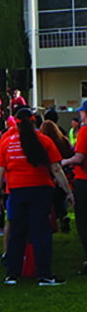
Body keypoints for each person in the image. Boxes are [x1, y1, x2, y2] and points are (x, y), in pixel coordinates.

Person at [0, 108, 72, 285]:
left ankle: (12, 273)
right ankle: (44, 274)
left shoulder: (7, 142)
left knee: (17, 232)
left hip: (16, 190)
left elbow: (0, 172)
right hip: (41, 190)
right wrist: (68, 192)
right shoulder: (44, 141)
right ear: (34, 121)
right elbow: (56, 169)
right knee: (41, 232)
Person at [61, 100, 87, 275]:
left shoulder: (84, 131)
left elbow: (79, 158)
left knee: (83, 222)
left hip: (84, 180)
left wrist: (64, 162)